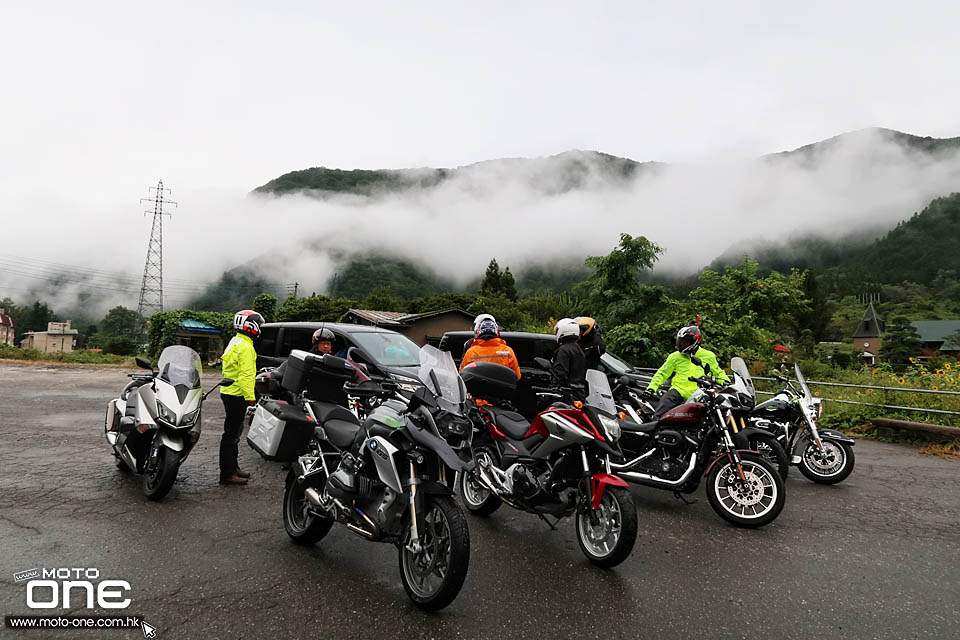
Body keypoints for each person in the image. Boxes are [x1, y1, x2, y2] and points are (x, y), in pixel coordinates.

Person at [644, 325, 729, 420]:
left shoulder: (708, 356)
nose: (681, 344)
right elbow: (662, 373)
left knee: (714, 415)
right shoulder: (674, 356)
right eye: (680, 341)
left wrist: (727, 383)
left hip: (700, 393)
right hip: (678, 391)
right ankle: (653, 429)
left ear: (694, 341)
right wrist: (651, 388)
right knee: (664, 404)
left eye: (685, 342)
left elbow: (718, 373)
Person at [219, 309, 263, 485]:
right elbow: (246, 375)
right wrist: (251, 399)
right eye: (258, 325)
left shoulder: (235, 341)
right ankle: (227, 474)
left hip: (228, 392)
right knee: (231, 435)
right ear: (251, 326)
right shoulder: (246, 347)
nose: (259, 328)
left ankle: (233, 467)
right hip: (237, 395)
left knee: (233, 433)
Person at [551, 318, 586, 390]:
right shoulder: (579, 349)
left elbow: (560, 373)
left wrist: (552, 387)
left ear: (563, 330)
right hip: (578, 391)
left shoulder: (564, 350)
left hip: (566, 392)